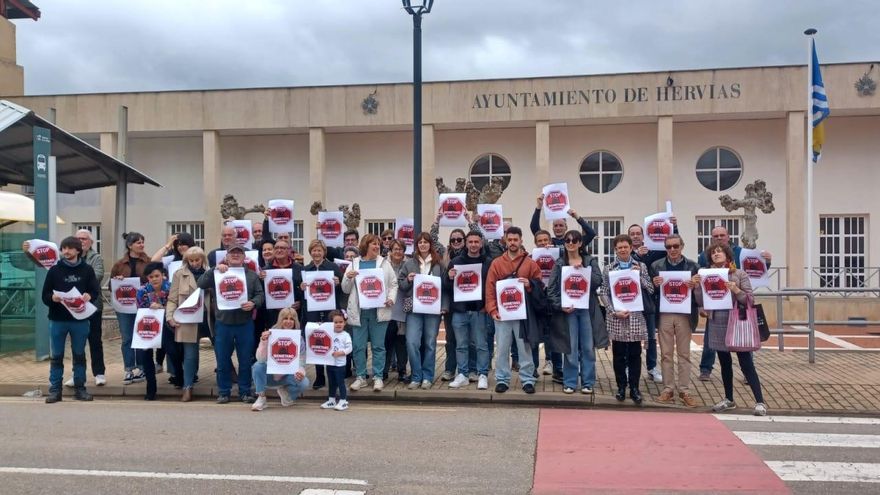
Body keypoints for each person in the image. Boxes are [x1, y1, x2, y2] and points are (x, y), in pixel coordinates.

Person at [694, 241, 768, 416]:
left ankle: (760, 401)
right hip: (717, 322)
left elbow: (749, 300)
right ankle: (729, 399)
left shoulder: (739, 274)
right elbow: (701, 301)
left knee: (745, 362)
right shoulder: (705, 275)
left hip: (737, 322)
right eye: (713, 252)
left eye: (720, 252)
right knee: (724, 362)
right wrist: (697, 287)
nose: (716, 254)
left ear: (728, 256)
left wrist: (736, 290)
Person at [696, 225, 772, 381]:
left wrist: (767, 262)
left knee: (743, 339)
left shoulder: (741, 253)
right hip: (716, 304)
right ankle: (705, 369)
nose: (718, 238)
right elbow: (702, 278)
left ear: (728, 236)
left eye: (721, 235)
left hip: (738, 305)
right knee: (710, 340)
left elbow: (755, 268)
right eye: (715, 235)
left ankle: (747, 373)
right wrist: (702, 303)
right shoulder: (705, 255)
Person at [198, 244, 264, 404]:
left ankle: (245, 391)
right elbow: (200, 283)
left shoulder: (251, 276)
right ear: (226, 257)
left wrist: (253, 303)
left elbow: (260, 294)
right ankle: (224, 392)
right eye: (232, 253)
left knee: (245, 360)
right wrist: (214, 269)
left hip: (245, 323)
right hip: (223, 323)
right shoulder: (218, 272)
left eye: (239, 253)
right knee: (222, 360)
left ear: (244, 258)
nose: (235, 255)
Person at [40, 236, 100, 403]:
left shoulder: (87, 270)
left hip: (80, 319)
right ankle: (55, 390)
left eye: (69, 248)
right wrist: (53, 298)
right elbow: (44, 295)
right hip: (58, 319)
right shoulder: (54, 270)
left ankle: (80, 388)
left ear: (78, 250)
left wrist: (90, 296)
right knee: (57, 355)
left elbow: (95, 292)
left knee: (79, 355)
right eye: (63, 248)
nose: (65, 251)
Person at [485, 227, 542, 394]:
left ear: (521, 240)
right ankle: (502, 379)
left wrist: (530, 284)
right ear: (505, 241)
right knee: (502, 347)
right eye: (509, 240)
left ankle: (527, 379)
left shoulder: (530, 263)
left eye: (515, 239)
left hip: (522, 313)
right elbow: (489, 288)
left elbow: (539, 283)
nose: (512, 242)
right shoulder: (497, 263)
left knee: (524, 347)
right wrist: (492, 309)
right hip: (502, 314)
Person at [546, 230, 604, 394]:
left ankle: (588, 382)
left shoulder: (589, 260)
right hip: (568, 311)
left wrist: (584, 270)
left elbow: (598, 282)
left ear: (580, 243)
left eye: (574, 240)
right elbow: (551, 290)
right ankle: (570, 382)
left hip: (586, 310)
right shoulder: (559, 263)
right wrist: (560, 306)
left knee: (587, 347)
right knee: (570, 347)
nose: (570, 243)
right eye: (567, 240)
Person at [599, 234, 654, 405]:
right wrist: (613, 311)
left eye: (625, 247)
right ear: (615, 250)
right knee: (619, 354)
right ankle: (621, 387)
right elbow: (604, 292)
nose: (623, 250)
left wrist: (640, 277)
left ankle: (635, 388)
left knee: (635, 354)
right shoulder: (609, 268)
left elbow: (651, 289)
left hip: (636, 316)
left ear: (631, 248)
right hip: (617, 317)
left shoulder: (641, 266)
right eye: (619, 247)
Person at [341, 234, 398, 392]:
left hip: (379, 311)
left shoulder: (384, 263)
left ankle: (378, 377)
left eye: (378, 244)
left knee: (378, 346)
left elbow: (393, 284)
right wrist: (348, 277)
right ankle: (361, 377)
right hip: (359, 312)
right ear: (366, 245)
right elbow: (345, 289)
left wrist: (391, 299)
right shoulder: (354, 263)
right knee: (358, 346)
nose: (377, 246)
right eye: (374, 243)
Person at [650, 234, 700, 407]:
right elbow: (650, 291)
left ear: (682, 246)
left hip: (685, 314)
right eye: (669, 247)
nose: (672, 250)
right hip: (664, 313)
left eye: (675, 246)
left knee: (684, 354)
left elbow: (700, 293)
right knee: (665, 354)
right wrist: (654, 284)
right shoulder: (656, 266)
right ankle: (668, 389)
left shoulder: (693, 266)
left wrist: (695, 286)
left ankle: (685, 390)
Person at [628, 220, 678, 385]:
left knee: (650, 337)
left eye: (638, 234)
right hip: (630, 302)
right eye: (632, 234)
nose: (635, 236)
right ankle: (629, 367)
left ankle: (651, 368)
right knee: (631, 337)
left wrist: (674, 226)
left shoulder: (653, 251)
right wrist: (636, 256)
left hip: (648, 301)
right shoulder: (625, 253)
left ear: (643, 236)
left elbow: (672, 246)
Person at [399, 232, 448, 390]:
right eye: (419, 242)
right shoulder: (409, 264)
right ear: (416, 245)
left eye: (425, 242)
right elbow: (401, 285)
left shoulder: (439, 265)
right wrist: (408, 280)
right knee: (412, 342)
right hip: (414, 309)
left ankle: (427, 377)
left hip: (433, 310)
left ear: (430, 245)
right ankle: (416, 376)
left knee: (430, 344)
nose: (422, 244)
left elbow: (445, 288)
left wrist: (444, 306)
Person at [446, 230, 492, 390]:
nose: (473, 245)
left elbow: (491, 285)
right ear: (466, 243)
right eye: (470, 242)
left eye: (476, 242)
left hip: (479, 310)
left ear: (481, 243)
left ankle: (482, 374)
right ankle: (463, 374)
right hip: (459, 310)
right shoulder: (455, 262)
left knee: (481, 344)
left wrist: (487, 305)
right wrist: (449, 277)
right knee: (461, 345)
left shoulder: (488, 262)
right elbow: (447, 287)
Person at [166, 246, 209, 402]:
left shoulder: (211, 272)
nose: (195, 263)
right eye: (191, 260)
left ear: (203, 259)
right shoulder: (179, 274)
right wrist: (170, 316)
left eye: (197, 260)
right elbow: (172, 298)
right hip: (188, 318)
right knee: (190, 354)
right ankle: (187, 387)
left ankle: (224, 386)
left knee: (221, 351)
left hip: (209, 317)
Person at [299, 239, 343, 390]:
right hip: (312, 310)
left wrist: (338, 283)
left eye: (319, 250)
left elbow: (342, 289)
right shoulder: (305, 269)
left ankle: (332, 374)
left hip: (330, 310)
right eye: (314, 250)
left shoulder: (333, 268)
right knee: (316, 341)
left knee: (331, 340)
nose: (316, 253)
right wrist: (301, 287)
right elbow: (301, 294)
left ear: (324, 252)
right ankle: (319, 376)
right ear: (310, 252)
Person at [64, 229, 106, 387]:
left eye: (84, 239)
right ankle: (77, 374)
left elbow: (97, 276)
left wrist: (75, 280)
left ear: (91, 242)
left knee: (95, 340)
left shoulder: (96, 258)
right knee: (77, 342)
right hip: (74, 307)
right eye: (78, 238)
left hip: (93, 305)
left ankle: (99, 373)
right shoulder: (67, 258)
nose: (81, 241)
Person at [109, 232, 151, 385]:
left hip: (142, 306)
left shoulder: (148, 262)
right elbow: (111, 286)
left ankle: (141, 368)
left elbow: (153, 282)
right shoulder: (119, 265)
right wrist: (117, 280)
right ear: (129, 245)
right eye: (138, 242)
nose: (141, 245)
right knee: (127, 338)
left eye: (142, 242)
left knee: (140, 337)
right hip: (124, 307)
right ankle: (128, 369)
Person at [251, 307, 311, 411]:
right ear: (280, 320)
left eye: (292, 319)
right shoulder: (271, 334)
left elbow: (301, 360)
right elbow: (260, 359)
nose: (288, 321)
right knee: (257, 366)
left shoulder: (299, 338)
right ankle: (261, 397)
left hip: (287, 375)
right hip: (270, 375)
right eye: (285, 318)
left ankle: (286, 393)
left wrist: (300, 371)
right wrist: (264, 341)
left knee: (304, 382)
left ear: (295, 321)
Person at [135, 262, 174, 401]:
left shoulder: (170, 288)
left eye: (157, 276)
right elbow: (140, 309)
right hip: (149, 327)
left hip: (168, 326)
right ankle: (151, 388)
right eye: (151, 277)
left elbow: (175, 305)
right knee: (146, 356)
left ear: (163, 275)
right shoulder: (142, 291)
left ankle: (179, 377)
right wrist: (149, 307)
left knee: (173, 351)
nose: (154, 279)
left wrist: (162, 307)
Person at [532, 228, 563, 383]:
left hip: (552, 300)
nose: (543, 243)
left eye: (546, 240)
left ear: (550, 241)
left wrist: (558, 251)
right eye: (540, 241)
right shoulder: (531, 258)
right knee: (534, 337)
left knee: (555, 336)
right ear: (535, 243)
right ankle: (533, 370)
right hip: (537, 300)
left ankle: (558, 370)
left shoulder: (559, 256)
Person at [383, 239, 410, 383]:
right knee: (386, 342)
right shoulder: (383, 265)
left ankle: (402, 371)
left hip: (402, 308)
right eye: (395, 249)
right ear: (390, 251)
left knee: (401, 342)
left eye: (400, 249)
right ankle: (384, 370)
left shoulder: (409, 265)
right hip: (387, 308)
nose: (397, 252)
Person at [529, 193, 597, 247]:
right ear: (552, 228)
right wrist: (539, 207)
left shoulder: (573, 242)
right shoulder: (548, 241)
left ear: (566, 227)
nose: (558, 228)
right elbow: (534, 227)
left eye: (561, 225)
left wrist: (577, 217)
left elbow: (591, 234)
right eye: (555, 226)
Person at [321, 310, 353, 411]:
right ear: (331, 324)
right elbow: (317, 331)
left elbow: (349, 348)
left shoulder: (345, 335)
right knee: (331, 382)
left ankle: (343, 401)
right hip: (329, 363)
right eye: (335, 322)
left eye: (341, 322)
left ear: (344, 322)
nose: (338, 324)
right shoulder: (328, 333)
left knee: (340, 382)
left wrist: (341, 352)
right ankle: (331, 400)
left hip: (340, 364)